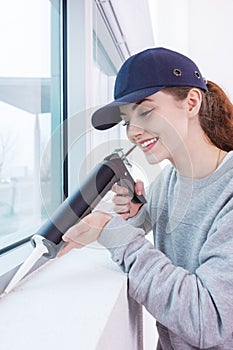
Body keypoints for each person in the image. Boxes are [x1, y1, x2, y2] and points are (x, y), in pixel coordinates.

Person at [59, 47, 233, 349]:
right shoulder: (168, 181)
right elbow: (147, 226)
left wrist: (114, 232)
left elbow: (210, 319)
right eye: (126, 120)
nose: (134, 132)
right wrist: (135, 216)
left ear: (191, 102)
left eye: (146, 110)